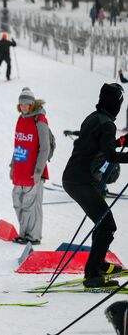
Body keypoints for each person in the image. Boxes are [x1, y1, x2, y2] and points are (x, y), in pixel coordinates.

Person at [62, 83, 128, 288]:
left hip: (73, 179)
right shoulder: (107, 123)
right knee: (107, 224)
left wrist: (120, 141)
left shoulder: (94, 117)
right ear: (116, 104)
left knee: (103, 223)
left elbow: (98, 145)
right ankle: (92, 274)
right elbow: (109, 155)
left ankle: (97, 265)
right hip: (81, 181)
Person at [10, 87, 50, 246]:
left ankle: (33, 236)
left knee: (31, 205)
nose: (24, 107)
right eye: (21, 104)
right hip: (20, 169)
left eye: (27, 104)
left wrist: (38, 171)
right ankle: (24, 233)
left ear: (33, 104)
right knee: (17, 202)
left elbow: (45, 148)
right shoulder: (21, 118)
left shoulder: (39, 120)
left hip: (33, 172)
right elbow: (18, 144)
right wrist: (12, 166)